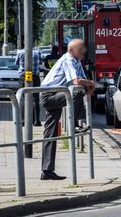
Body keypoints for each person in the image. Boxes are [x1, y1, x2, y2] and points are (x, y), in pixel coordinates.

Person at [39, 39, 95, 180]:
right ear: (72, 50)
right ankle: (74, 125)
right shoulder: (67, 60)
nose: (84, 51)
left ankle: (47, 171)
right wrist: (89, 84)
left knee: (50, 133)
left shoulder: (77, 62)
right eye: (81, 48)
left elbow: (83, 80)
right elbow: (76, 82)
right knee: (76, 92)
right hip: (49, 96)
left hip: (58, 93)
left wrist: (89, 85)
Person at [16, 48, 43, 126]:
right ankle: (36, 120)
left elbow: (17, 63)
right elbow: (40, 63)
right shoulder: (38, 52)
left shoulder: (20, 52)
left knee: (23, 98)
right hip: (35, 77)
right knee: (36, 99)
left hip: (24, 76)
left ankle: (23, 120)